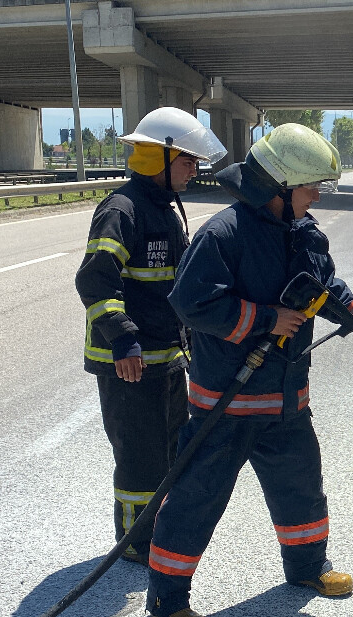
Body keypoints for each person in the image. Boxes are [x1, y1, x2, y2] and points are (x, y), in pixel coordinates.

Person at [146, 123, 353, 617]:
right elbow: (190, 304)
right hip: (225, 405)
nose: (318, 197)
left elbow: (324, 287)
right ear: (279, 188)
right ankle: (168, 600)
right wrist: (265, 320)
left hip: (286, 403)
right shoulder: (223, 235)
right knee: (196, 501)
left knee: (301, 489)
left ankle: (307, 568)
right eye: (311, 188)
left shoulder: (303, 232)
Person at [75, 107, 227, 565]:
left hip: (164, 357)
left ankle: (159, 529)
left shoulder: (162, 209)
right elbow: (96, 280)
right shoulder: (122, 210)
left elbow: (172, 284)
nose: (193, 170)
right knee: (138, 455)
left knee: (168, 447)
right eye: (186, 161)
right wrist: (123, 339)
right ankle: (137, 542)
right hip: (127, 361)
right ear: (156, 158)